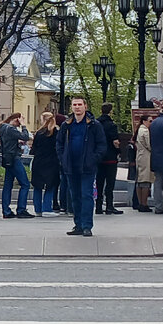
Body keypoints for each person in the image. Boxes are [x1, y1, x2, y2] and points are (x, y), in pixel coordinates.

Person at [56, 97, 107, 236]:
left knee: (86, 195)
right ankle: (77, 224)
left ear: (85, 106)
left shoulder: (94, 125)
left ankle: (87, 226)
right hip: (70, 166)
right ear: (71, 107)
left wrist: (93, 159)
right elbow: (59, 144)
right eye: (74, 105)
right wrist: (63, 159)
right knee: (75, 197)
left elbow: (102, 145)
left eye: (80, 104)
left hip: (87, 167)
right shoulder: (67, 125)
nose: (77, 107)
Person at [0, 113, 33, 219]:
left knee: (8, 185)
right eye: (19, 121)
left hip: (7, 158)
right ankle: (21, 209)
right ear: (15, 119)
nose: (19, 124)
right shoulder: (11, 129)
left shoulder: (3, 128)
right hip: (14, 158)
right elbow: (26, 137)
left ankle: (6, 210)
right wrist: (24, 125)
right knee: (25, 184)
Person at [30, 112, 61, 216]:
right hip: (52, 161)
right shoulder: (56, 132)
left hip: (38, 161)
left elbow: (33, 149)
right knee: (50, 185)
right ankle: (47, 208)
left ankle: (38, 209)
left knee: (37, 186)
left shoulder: (39, 133)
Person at [95, 103, 122, 215]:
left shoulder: (96, 123)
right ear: (110, 111)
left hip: (98, 157)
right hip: (110, 157)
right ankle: (109, 206)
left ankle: (98, 206)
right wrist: (118, 151)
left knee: (99, 182)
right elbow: (115, 141)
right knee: (110, 183)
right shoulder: (111, 125)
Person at [133, 115, 154, 212]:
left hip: (140, 156)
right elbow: (149, 145)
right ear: (144, 121)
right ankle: (144, 203)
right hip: (146, 156)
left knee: (139, 180)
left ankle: (140, 202)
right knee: (145, 180)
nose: (151, 123)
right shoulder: (145, 131)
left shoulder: (139, 130)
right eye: (150, 121)